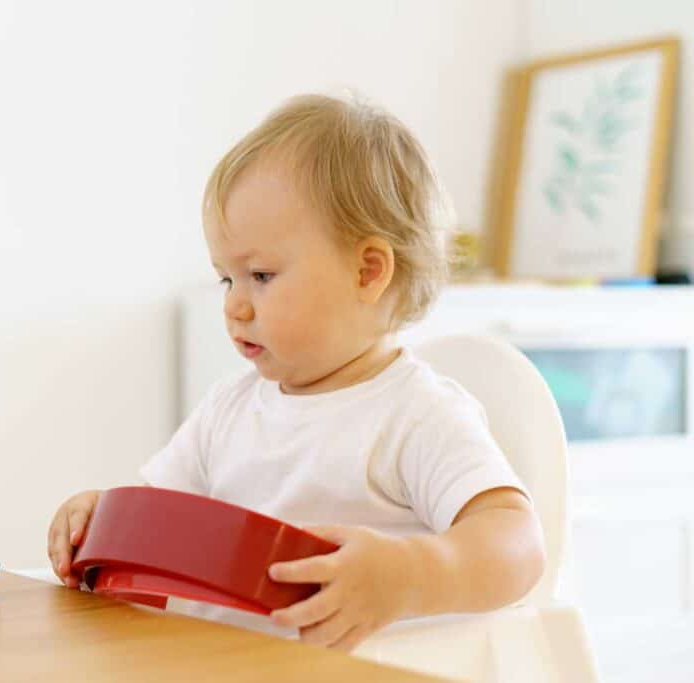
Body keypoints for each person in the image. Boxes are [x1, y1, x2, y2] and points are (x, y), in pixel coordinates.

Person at [48, 93, 545, 651]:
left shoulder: (417, 416)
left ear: (368, 272)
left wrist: (409, 575)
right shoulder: (227, 410)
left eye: (259, 275)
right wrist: (103, 517)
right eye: (226, 279)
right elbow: (157, 519)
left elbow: (519, 545)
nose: (234, 305)